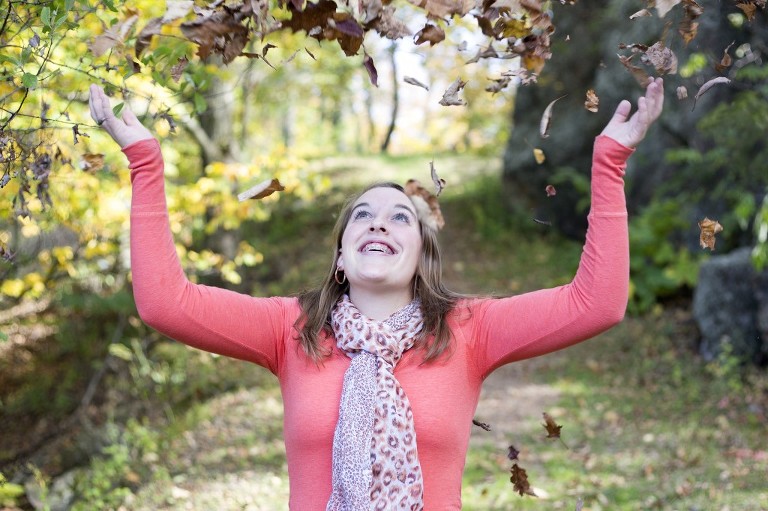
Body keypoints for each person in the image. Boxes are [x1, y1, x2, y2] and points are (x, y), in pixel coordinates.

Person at [89, 78, 664, 510]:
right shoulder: (292, 331)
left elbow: (598, 303)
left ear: (421, 256)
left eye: (400, 219)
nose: (379, 224)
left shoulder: (467, 330)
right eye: (361, 216)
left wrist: (609, 163)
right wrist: (145, 162)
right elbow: (166, 303)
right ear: (341, 256)